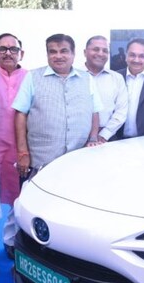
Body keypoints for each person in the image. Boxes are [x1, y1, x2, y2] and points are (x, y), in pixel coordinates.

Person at [13, 34, 102, 180]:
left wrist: (92, 139)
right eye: (53, 52)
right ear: (47, 54)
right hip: (41, 162)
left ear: (73, 54)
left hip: (78, 159)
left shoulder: (87, 79)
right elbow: (20, 114)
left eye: (64, 51)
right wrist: (23, 152)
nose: (58, 56)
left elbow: (95, 112)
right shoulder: (32, 76)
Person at [0, 33, 28, 260]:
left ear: (21, 53)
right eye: (2, 49)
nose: (8, 53)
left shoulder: (31, 77)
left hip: (21, 147)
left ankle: (11, 240)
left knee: (19, 197)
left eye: (13, 49)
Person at [83, 35, 128, 142]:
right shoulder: (75, 77)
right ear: (85, 52)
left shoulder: (116, 78)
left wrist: (104, 134)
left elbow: (121, 110)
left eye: (105, 51)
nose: (100, 54)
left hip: (108, 137)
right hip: (78, 137)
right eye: (96, 49)